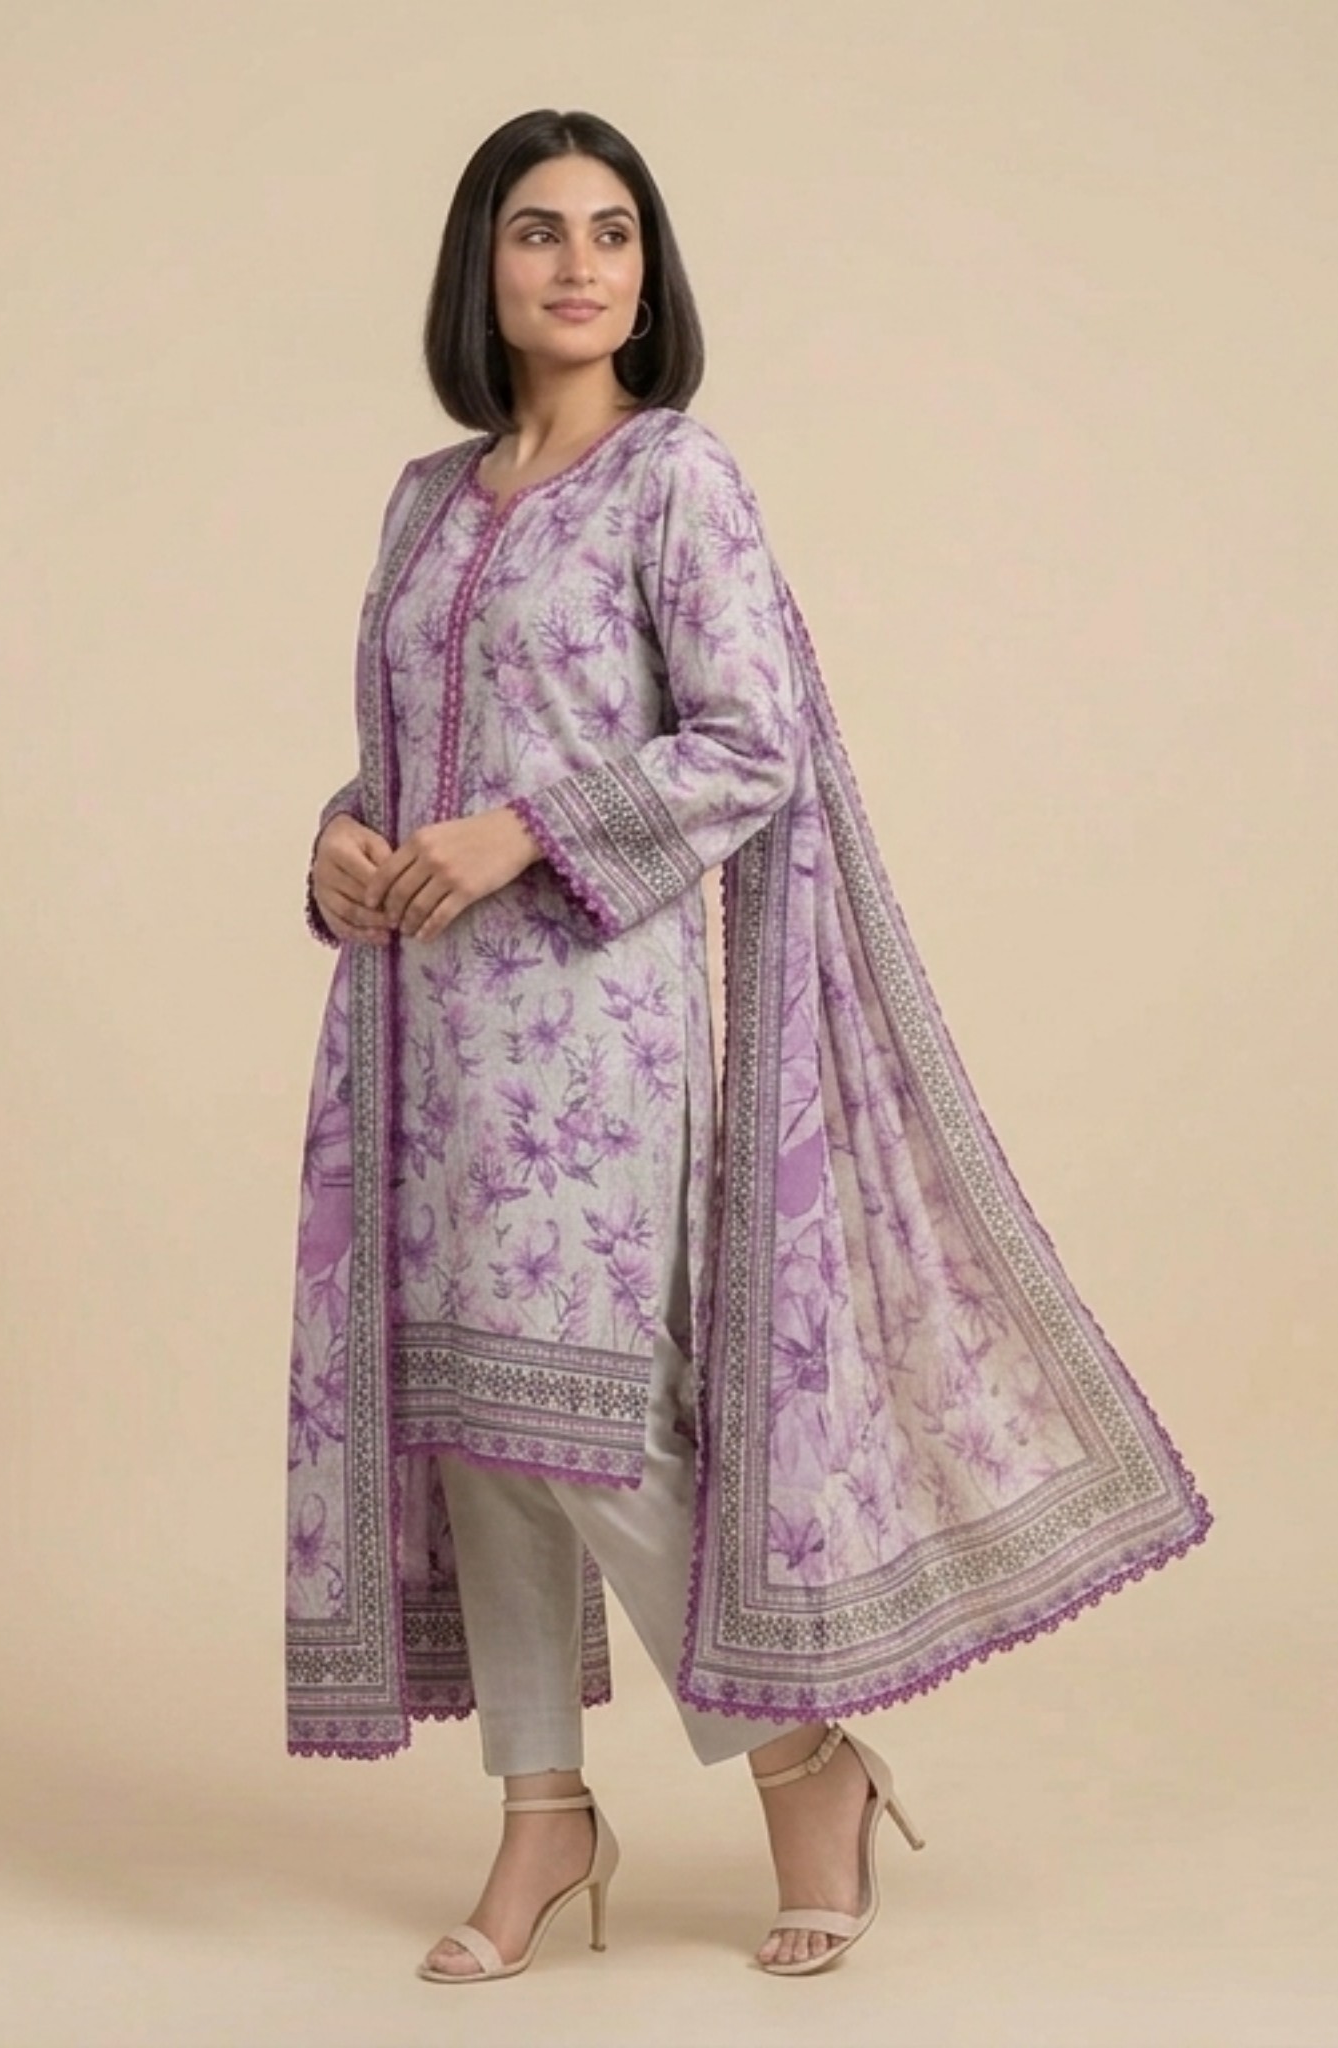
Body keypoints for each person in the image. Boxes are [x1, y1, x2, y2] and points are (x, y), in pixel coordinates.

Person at [284, 108, 1213, 1983]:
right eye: (538, 231)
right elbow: (399, 756)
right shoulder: (423, 499)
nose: (577, 264)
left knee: (595, 1422)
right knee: (474, 1425)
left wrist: (522, 834)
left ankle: (807, 1762)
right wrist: (339, 842)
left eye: (612, 233)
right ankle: (541, 1815)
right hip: (419, 1027)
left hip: (591, 1026)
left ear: (648, 277)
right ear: (481, 267)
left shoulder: (675, 480)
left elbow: (746, 739)